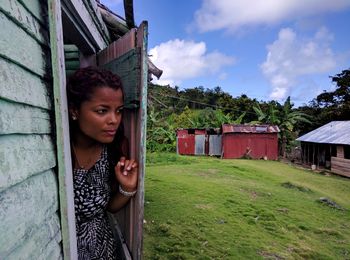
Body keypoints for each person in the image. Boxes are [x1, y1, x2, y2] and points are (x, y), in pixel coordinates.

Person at [66, 67, 138, 259]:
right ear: (74, 111)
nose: (114, 120)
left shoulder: (113, 151)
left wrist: (127, 188)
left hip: (103, 251)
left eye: (119, 111)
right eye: (102, 111)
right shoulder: (57, 151)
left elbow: (107, 208)